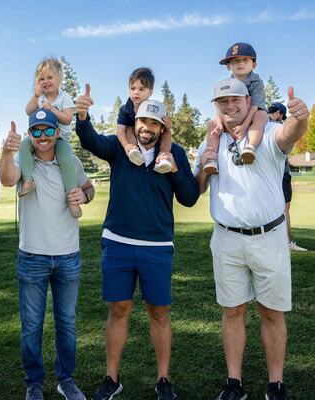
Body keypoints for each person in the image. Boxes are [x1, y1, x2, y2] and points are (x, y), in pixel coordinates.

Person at [76, 85, 199, 400]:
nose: (146, 128)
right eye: (142, 122)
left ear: (162, 127)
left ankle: (163, 381)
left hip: (157, 247)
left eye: (154, 124)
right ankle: (112, 378)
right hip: (117, 242)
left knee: (159, 311)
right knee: (118, 309)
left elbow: (188, 197)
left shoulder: (175, 153)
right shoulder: (119, 147)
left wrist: (173, 170)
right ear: (135, 123)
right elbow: (90, 140)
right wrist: (83, 116)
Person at [194, 78, 309, 400]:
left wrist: (301, 118)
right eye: (222, 102)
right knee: (232, 311)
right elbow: (200, 186)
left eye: (236, 100)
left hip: (268, 237)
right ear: (216, 106)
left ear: (248, 101)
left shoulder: (269, 132)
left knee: (272, 312)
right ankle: (234, 383)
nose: (230, 106)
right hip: (227, 238)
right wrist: (204, 163)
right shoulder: (210, 141)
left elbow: (291, 134)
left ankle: (276, 384)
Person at [0, 109, 95, 400]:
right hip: (32, 257)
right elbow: (6, 179)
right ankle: (34, 384)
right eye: (36, 131)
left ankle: (66, 380)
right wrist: (5, 152)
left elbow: (88, 187)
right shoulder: (21, 162)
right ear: (30, 134)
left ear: (56, 132)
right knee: (31, 325)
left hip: (68, 256)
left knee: (66, 322)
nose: (42, 136)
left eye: (47, 130)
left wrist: (84, 195)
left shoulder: (71, 162)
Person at [19, 57, 82, 218]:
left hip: (59, 140)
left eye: (49, 77)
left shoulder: (64, 97)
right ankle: (28, 180)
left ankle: (72, 199)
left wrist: (52, 109)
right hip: (39, 138)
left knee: (66, 161)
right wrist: (35, 96)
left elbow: (67, 119)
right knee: (24, 146)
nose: (45, 81)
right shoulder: (39, 97)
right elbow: (28, 111)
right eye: (41, 78)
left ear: (59, 79)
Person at [203, 42, 268, 174]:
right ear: (228, 66)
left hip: (252, 114)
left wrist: (244, 126)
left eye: (245, 60)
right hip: (233, 116)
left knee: (261, 116)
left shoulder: (257, 82)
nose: (240, 64)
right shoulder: (226, 84)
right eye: (235, 61)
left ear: (254, 65)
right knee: (213, 124)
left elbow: (255, 106)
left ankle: (250, 147)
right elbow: (220, 107)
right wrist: (220, 124)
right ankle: (211, 158)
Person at [117, 67, 172, 173]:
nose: (136, 92)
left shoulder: (155, 108)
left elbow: (166, 125)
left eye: (141, 89)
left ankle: (163, 156)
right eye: (133, 88)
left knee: (167, 132)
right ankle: (134, 152)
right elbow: (120, 130)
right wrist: (126, 145)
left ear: (150, 92)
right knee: (129, 128)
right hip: (134, 136)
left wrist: (169, 126)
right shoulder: (125, 109)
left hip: (152, 135)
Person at [268, 102, 307, 252]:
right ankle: (286, 242)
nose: (269, 113)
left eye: (272, 111)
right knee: (281, 209)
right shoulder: (272, 127)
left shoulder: (279, 128)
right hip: (277, 175)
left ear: (280, 114)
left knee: (283, 209)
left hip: (281, 176)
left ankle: (285, 242)